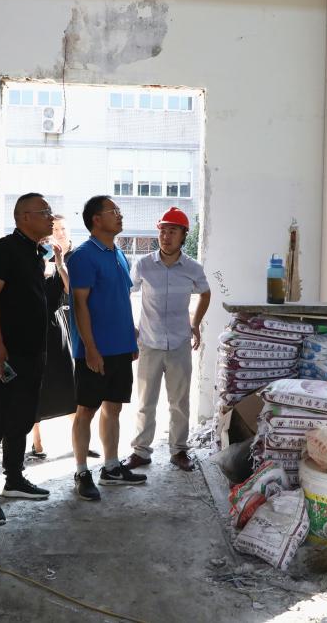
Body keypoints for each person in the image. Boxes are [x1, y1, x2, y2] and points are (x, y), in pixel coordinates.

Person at [0, 193, 56, 525]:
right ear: (23, 217)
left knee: (22, 418)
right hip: (6, 352)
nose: (51, 217)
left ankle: (14, 478)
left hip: (34, 352)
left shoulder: (36, 253)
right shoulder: (3, 249)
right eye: (44, 212)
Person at [68, 195, 146, 501]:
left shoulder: (119, 253)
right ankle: (81, 472)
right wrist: (90, 347)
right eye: (113, 211)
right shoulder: (83, 256)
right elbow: (80, 304)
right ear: (96, 219)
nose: (120, 215)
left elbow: (121, 299)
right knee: (86, 410)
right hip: (94, 349)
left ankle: (111, 467)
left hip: (120, 347)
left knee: (113, 407)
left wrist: (130, 337)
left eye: (119, 211)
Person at [125, 207, 210, 472]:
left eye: (172, 231)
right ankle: (141, 451)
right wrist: (131, 327)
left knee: (179, 402)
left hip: (179, 344)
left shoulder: (193, 268)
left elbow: (205, 293)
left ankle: (179, 450)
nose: (166, 236)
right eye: (162, 231)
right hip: (149, 343)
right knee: (145, 402)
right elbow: (126, 292)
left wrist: (195, 323)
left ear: (183, 235)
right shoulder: (143, 265)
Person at [28, 215, 99, 460]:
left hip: (57, 330)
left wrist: (59, 264)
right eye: (52, 231)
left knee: (69, 384)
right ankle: (37, 443)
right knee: (36, 386)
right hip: (33, 331)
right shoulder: (31, 261)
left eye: (62, 229)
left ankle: (80, 441)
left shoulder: (66, 263)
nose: (56, 234)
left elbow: (71, 291)